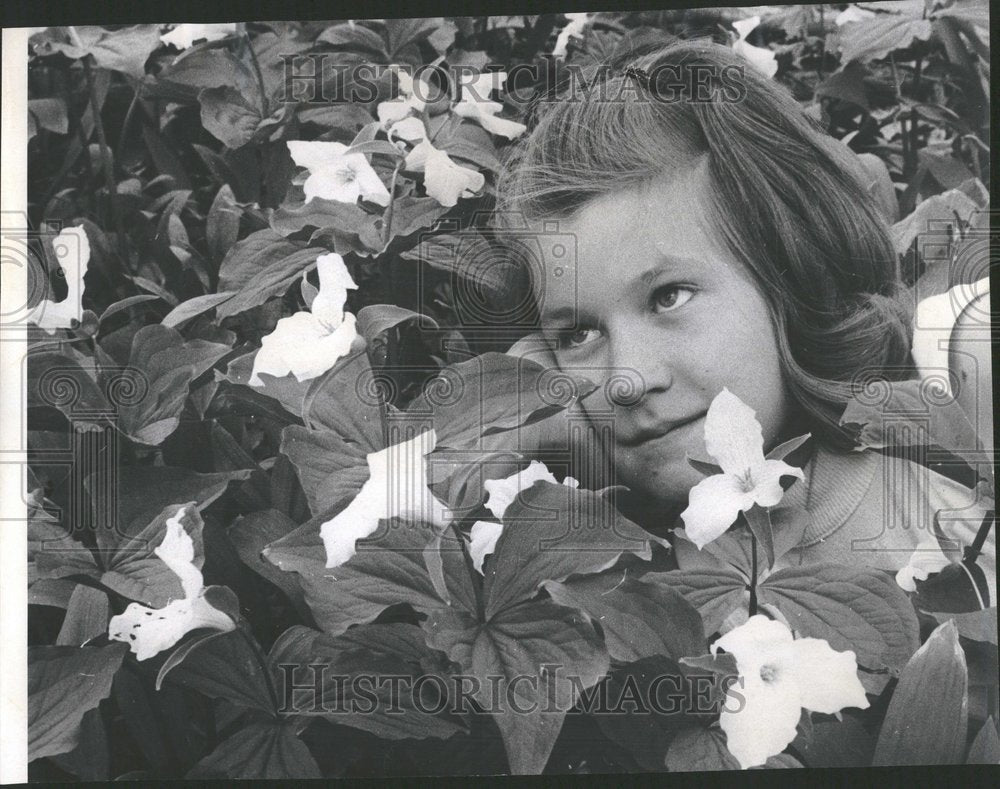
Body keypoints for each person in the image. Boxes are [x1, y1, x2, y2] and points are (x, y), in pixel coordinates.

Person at [494, 39, 995, 603]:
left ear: (793, 269)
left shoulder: (956, 381)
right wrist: (529, 420)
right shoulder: (616, 575)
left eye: (669, 296)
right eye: (578, 333)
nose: (627, 379)